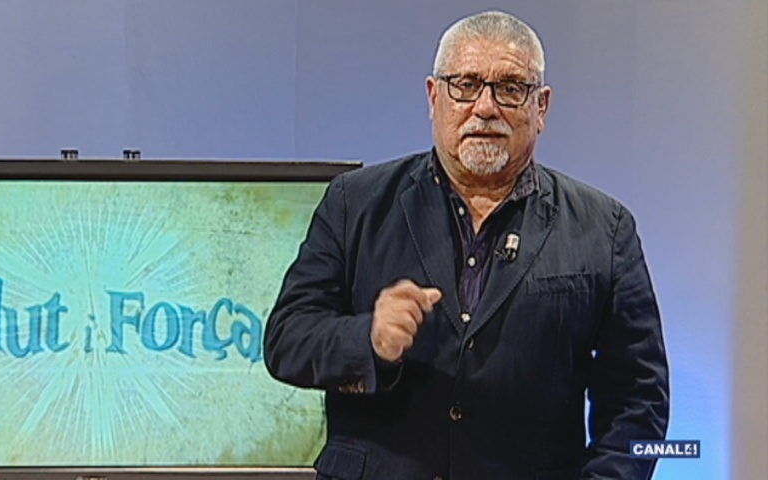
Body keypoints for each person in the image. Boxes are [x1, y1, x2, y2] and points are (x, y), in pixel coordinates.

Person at [264, 10, 669, 480]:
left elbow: (639, 400)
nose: (485, 107)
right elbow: (286, 339)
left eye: (510, 88)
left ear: (541, 107)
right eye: (466, 85)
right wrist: (369, 339)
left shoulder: (605, 229)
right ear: (434, 96)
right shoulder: (355, 203)